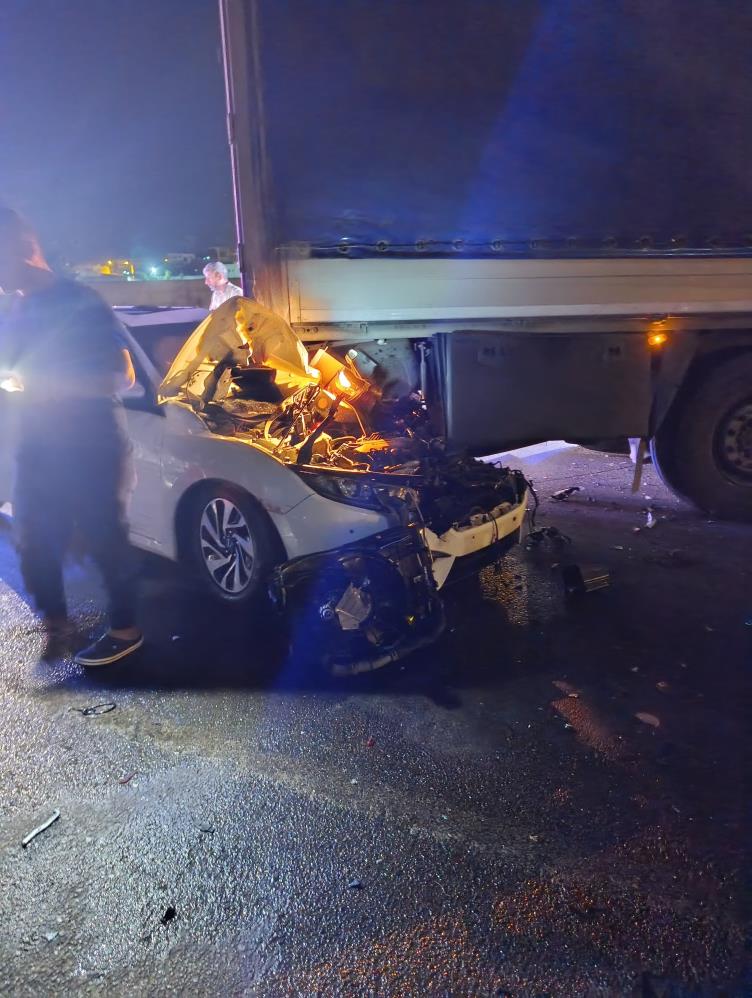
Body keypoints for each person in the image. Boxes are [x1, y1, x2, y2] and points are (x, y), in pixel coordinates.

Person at [0, 207, 143, 666]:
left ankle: (126, 630)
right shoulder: (15, 307)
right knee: (33, 539)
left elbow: (121, 374)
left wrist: (47, 385)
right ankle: (57, 625)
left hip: (90, 443)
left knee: (105, 538)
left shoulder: (79, 300)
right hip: (39, 444)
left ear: (22, 248)